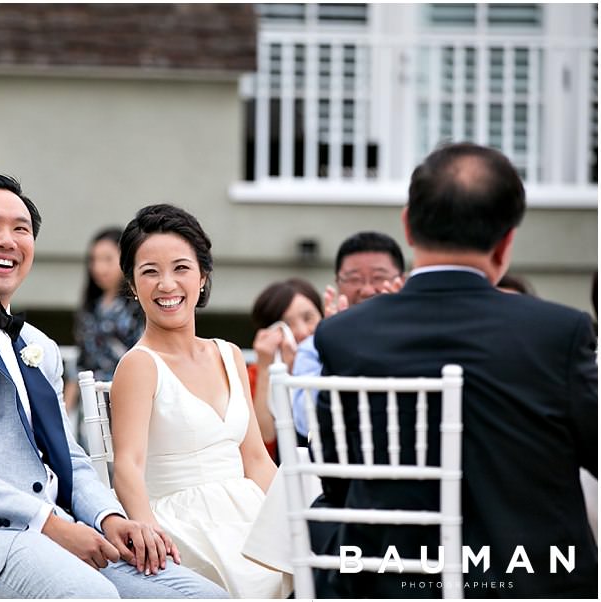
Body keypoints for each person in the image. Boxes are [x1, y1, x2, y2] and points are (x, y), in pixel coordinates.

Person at [0, 175, 226, 599]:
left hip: (50, 535)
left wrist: (109, 519)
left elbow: (70, 458)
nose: (7, 239)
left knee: (204, 597)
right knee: (91, 596)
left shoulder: (38, 347)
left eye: (20, 229)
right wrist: (52, 524)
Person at [312, 142, 597, 597]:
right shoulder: (557, 333)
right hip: (531, 581)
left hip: (389, 581)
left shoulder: (345, 334)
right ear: (507, 241)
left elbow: (336, 473)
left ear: (407, 225)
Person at [110, 204, 288, 598]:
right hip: (184, 526)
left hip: (247, 512)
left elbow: (256, 459)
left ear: (203, 276)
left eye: (181, 268)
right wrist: (149, 534)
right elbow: (128, 464)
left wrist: (293, 514)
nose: (167, 284)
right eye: (150, 271)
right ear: (133, 285)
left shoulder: (229, 354)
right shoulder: (140, 365)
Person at [291, 231, 405, 438]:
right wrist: (337, 346)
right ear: (338, 283)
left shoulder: (417, 337)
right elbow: (304, 421)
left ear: (401, 281)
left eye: (379, 277)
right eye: (354, 279)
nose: (368, 290)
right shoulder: (313, 346)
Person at [63, 227, 144, 422]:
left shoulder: (138, 307)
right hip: (91, 405)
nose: (99, 267)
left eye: (107, 259)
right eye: (94, 260)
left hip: (128, 401)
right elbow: (81, 363)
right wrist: (64, 415)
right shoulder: (91, 307)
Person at [248, 278, 323, 458]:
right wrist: (266, 367)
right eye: (287, 325)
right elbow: (265, 439)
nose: (303, 331)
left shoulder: (335, 362)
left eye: (308, 318)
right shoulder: (252, 375)